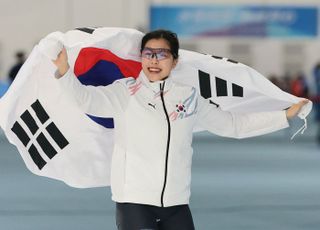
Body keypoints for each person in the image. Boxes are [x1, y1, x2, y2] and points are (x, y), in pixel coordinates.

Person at [53, 30, 308, 230]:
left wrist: (283, 116)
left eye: (162, 54)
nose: (154, 60)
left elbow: (233, 125)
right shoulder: (125, 92)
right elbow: (86, 99)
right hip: (134, 202)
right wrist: (64, 72)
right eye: (148, 53)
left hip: (176, 203)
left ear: (175, 61)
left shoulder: (189, 97)